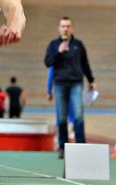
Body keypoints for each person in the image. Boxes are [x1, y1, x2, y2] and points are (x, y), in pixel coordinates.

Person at [44, 16, 96, 159]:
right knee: (61, 117)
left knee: (78, 115)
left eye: (68, 26)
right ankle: (63, 147)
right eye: (63, 26)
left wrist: (91, 80)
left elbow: (85, 63)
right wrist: (58, 52)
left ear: (72, 28)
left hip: (76, 83)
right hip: (60, 83)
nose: (65, 28)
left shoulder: (78, 45)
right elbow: (48, 62)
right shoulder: (54, 45)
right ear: (59, 28)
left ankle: (80, 146)